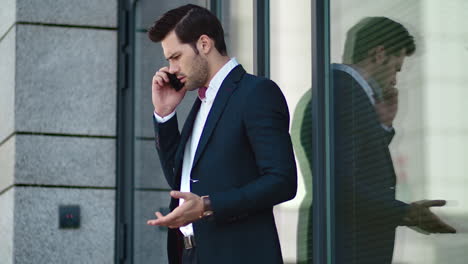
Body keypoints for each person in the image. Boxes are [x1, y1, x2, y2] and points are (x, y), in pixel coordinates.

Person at [145, 4, 297, 264]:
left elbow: (282, 181)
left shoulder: (256, 93)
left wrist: (207, 205)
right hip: (190, 254)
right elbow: (179, 179)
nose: (171, 69)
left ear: (204, 44)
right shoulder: (201, 103)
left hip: (237, 254)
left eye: (176, 57)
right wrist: (165, 114)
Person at [333, 17, 456, 264]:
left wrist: (384, 125)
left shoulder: (347, 93)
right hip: (351, 248)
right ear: (379, 54)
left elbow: (358, 166)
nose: (395, 80)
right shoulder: (344, 92)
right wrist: (407, 213)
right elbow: (341, 183)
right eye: (396, 68)